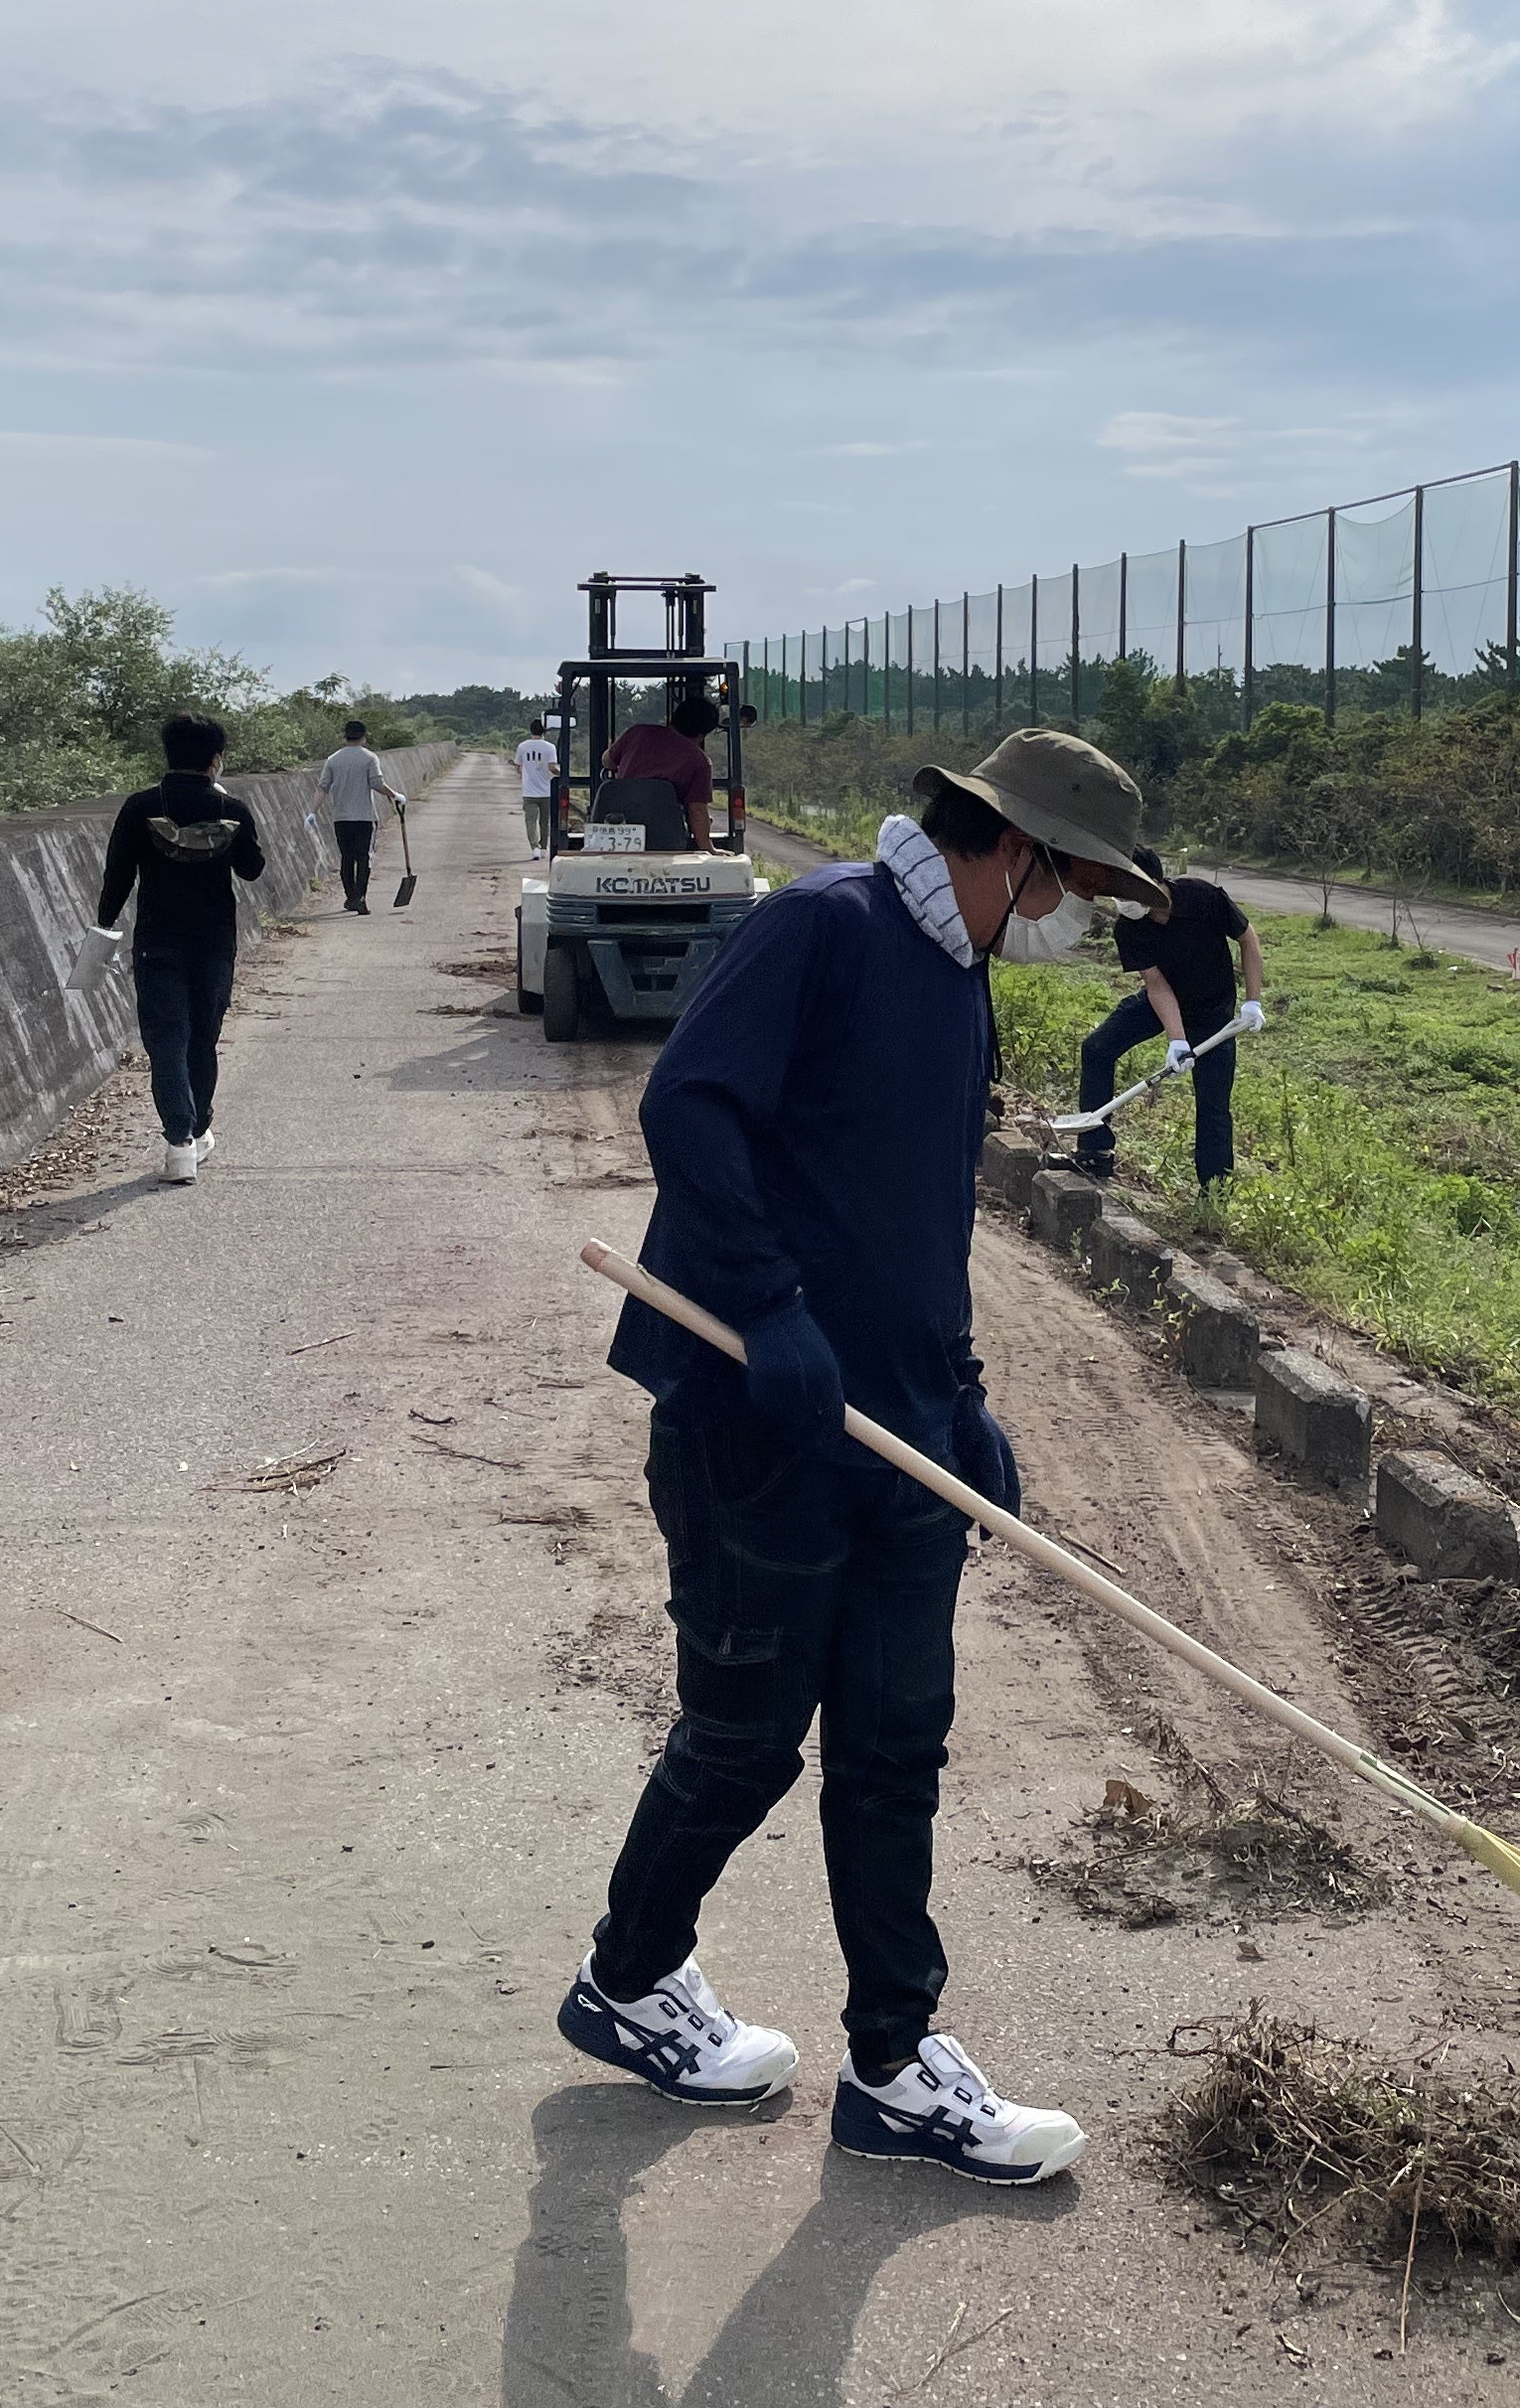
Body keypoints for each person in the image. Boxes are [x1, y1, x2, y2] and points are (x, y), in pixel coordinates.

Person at [560, 730, 1166, 2182]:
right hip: (755, 1422)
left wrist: (961, 1397)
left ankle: (895, 2065)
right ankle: (627, 1981)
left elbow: (918, 1221)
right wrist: (767, 1308)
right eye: (1077, 886)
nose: (1076, 919)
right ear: (1011, 847)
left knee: (896, 1748)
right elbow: (688, 1104)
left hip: (895, 1433)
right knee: (747, 1737)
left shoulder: (959, 980)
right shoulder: (823, 927)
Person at [91, 712, 265, 1185]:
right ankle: (199, 1125)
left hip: (157, 941)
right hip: (214, 942)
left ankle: (179, 1141)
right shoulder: (232, 809)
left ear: (167, 754)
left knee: (167, 1038)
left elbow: (118, 875)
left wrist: (103, 925)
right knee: (203, 1037)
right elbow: (252, 869)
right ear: (215, 759)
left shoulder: (140, 806)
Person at [1071, 844, 1266, 1187]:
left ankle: (1214, 1190)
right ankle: (1095, 1152)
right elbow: (1156, 985)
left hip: (1213, 1011)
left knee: (1213, 1102)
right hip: (1160, 1001)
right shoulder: (1129, 928)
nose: (1122, 901)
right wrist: (1177, 1038)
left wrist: (1253, 1001)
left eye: (1128, 890)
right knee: (1097, 1049)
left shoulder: (1203, 897)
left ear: (1154, 883)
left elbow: (1248, 939)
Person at [599, 691, 721, 848]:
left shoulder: (637, 732)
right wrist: (708, 848)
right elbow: (697, 809)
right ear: (702, 734)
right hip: (666, 835)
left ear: (674, 718)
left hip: (618, 828)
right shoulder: (700, 761)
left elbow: (607, 761)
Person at [320, 718, 405, 913]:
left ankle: (350, 897)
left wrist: (312, 811)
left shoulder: (333, 759)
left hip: (341, 818)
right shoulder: (369, 757)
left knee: (347, 858)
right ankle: (360, 898)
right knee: (364, 858)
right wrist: (395, 795)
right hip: (364, 817)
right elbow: (377, 784)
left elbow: (323, 786)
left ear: (345, 736)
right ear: (363, 737)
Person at [516, 715, 562, 853]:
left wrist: (526, 775)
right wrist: (562, 773)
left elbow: (518, 766)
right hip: (546, 791)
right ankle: (543, 848)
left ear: (531, 730)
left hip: (529, 792)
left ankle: (534, 847)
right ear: (544, 731)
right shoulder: (550, 747)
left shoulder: (522, 746)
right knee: (544, 821)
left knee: (530, 821)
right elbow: (552, 768)